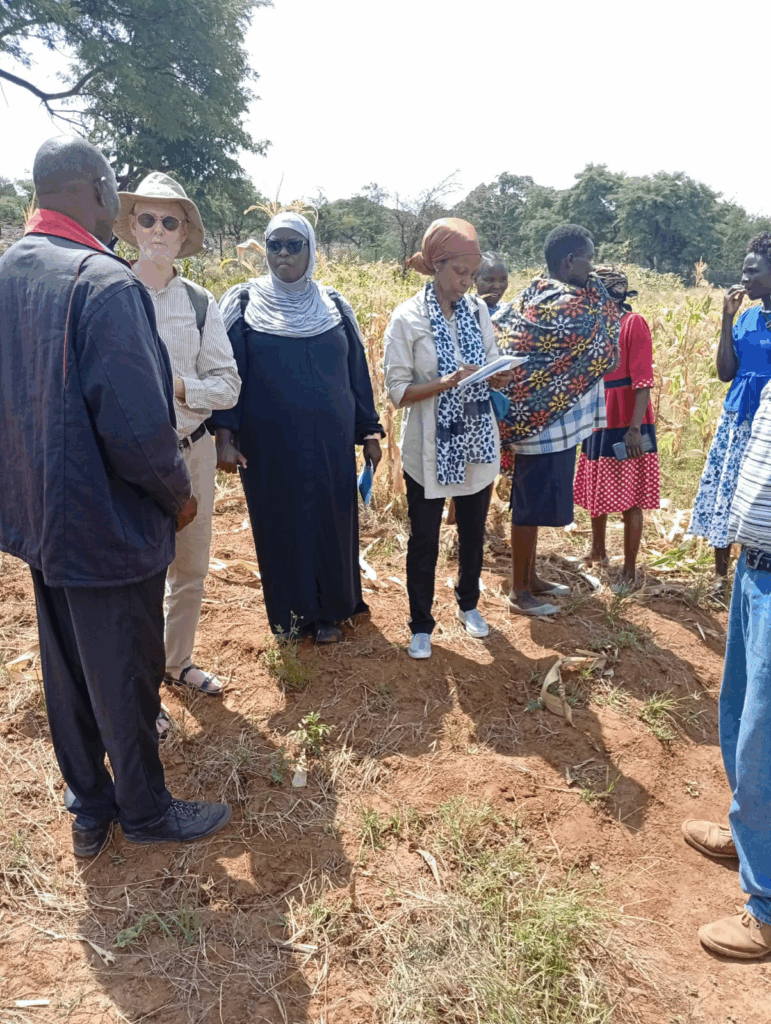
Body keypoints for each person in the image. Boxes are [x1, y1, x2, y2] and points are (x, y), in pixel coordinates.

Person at [0, 137, 231, 857]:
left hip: (40, 514)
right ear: (99, 191)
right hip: (106, 522)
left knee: (65, 663)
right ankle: (146, 810)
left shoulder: (10, 268)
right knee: (126, 667)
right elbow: (135, 429)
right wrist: (176, 497)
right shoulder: (105, 284)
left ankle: (88, 802)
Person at [212, 212, 384, 644]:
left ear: (310, 250)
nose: (283, 254)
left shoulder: (333, 304)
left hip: (331, 441)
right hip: (271, 443)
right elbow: (228, 375)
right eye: (275, 245)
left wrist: (369, 432)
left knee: (332, 517)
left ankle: (334, 608)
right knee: (281, 522)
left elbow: (356, 372)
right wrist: (225, 438)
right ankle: (294, 616)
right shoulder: (244, 303)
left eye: (294, 245)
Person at [114, 173, 241, 705]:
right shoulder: (109, 291)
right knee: (136, 576)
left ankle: (176, 661)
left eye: (171, 220)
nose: (159, 230)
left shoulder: (200, 302)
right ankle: (140, 691)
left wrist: (180, 386)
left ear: (184, 229)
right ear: (132, 226)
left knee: (189, 567)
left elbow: (229, 385)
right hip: (128, 461)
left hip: (192, 452)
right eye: (148, 218)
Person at [383, 218, 512, 660]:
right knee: (425, 538)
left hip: (477, 439)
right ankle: (421, 624)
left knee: (473, 531)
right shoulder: (408, 318)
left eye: (472, 274)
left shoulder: (477, 312)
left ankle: (469, 604)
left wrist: (500, 370)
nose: (468, 282)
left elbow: (491, 359)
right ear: (437, 265)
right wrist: (446, 383)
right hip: (429, 447)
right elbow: (398, 392)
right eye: (460, 272)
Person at [682, 377, 771, 958]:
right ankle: (752, 842)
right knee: (740, 716)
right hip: (756, 561)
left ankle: (766, 905)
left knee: (764, 737)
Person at [494, 225, 620, 616]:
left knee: (531, 503)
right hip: (538, 422)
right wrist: (600, 290)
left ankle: (531, 578)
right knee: (528, 507)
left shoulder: (533, 293)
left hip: (540, 418)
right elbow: (605, 335)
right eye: (590, 259)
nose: (594, 269)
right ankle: (519, 592)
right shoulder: (571, 305)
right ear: (570, 262)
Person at [687, 233, 771, 596]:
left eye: (752, 271)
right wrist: (726, 317)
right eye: (743, 271)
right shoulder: (747, 317)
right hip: (738, 420)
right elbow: (725, 372)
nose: (744, 278)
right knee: (728, 489)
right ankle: (722, 576)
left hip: (766, 425)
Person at [574, 266, 660, 591]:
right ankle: (597, 551)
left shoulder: (632, 323)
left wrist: (635, 429)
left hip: (628, 417)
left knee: (632, 497)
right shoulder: (596, 327)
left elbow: (643, 382)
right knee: (599, 486)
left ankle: (630, 569)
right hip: (599, 413)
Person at [474, 252, 509, 317]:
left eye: (502, 280)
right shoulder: (466, 311)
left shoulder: (509, 312)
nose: (497, 286)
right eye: (490, 280)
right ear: (475, 279)